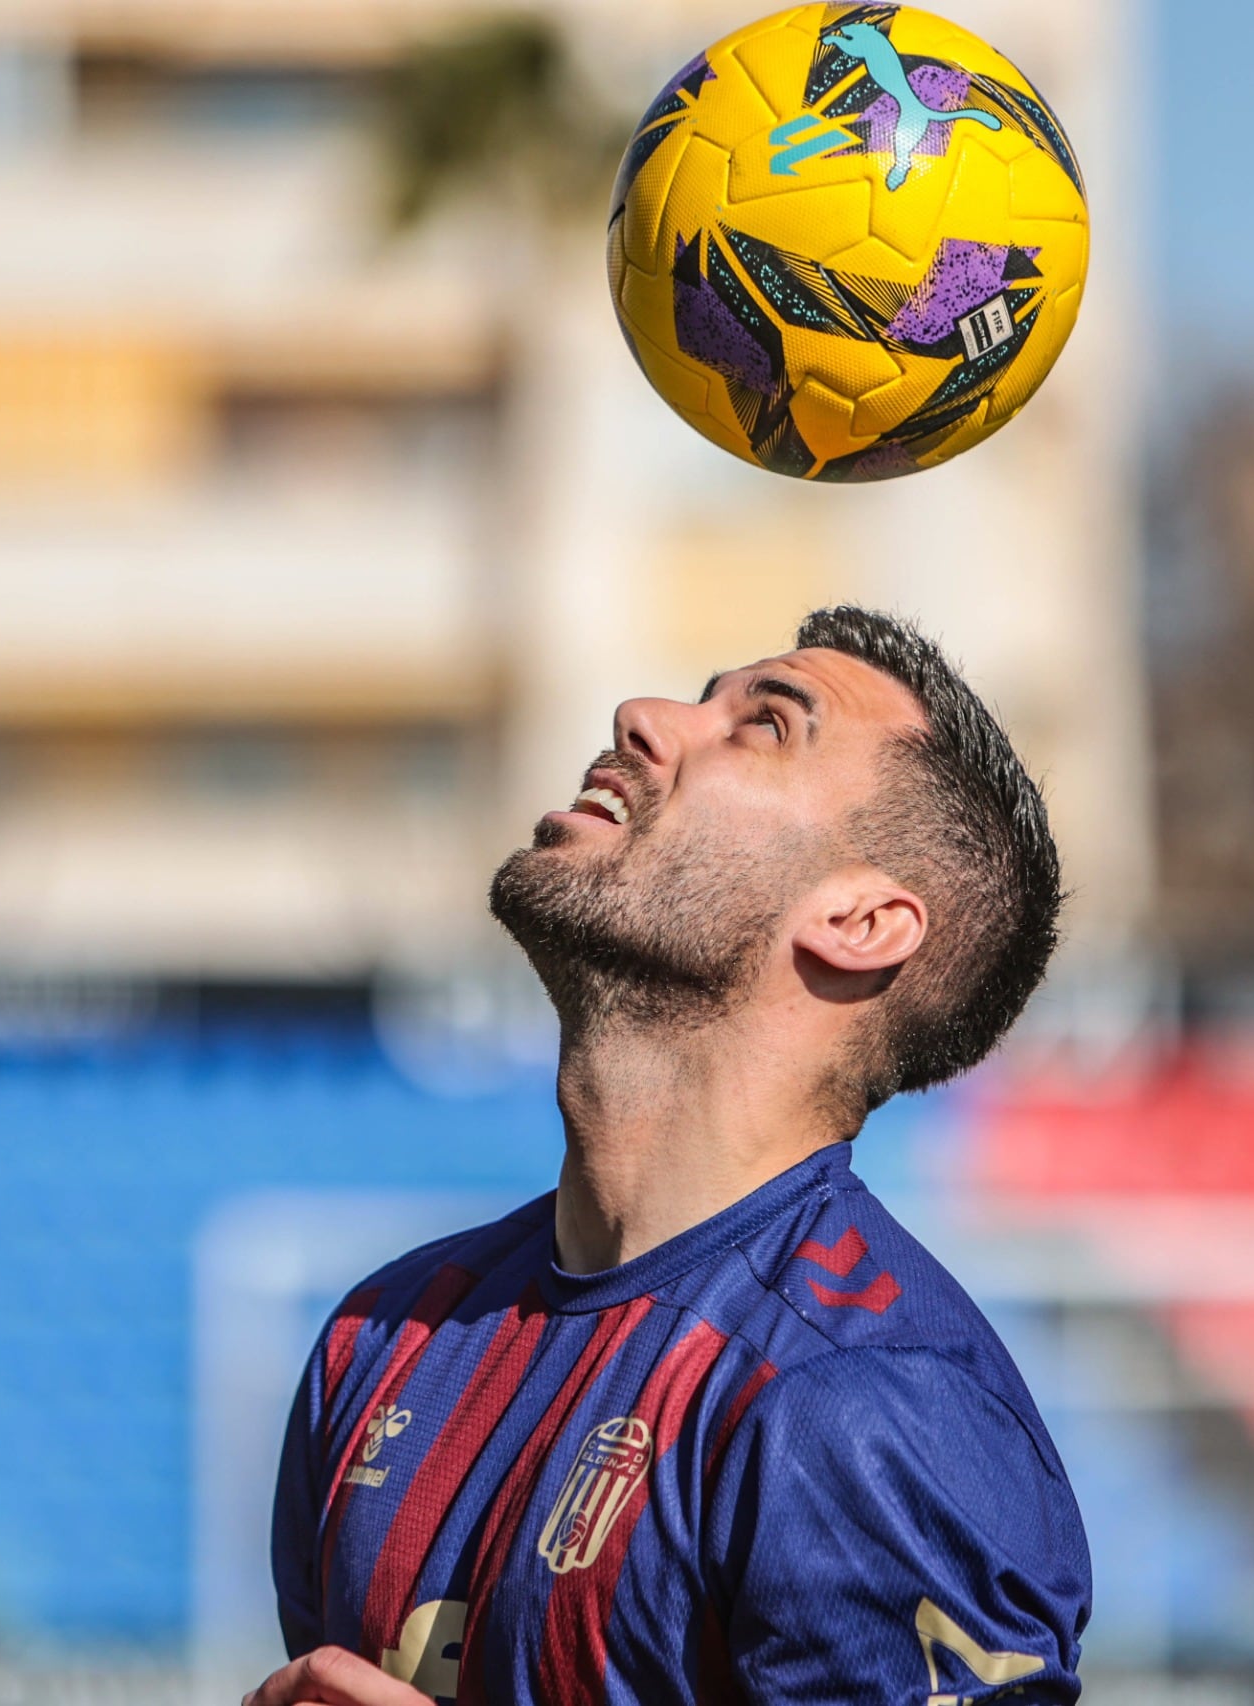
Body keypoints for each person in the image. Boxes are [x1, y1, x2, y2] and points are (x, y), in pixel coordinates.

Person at [250, 606, 1090, 1706]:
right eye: (701, 695)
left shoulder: (869, 1407)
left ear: (859, 919)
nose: (641, 716)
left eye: (765, 725)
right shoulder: (385, 1335)